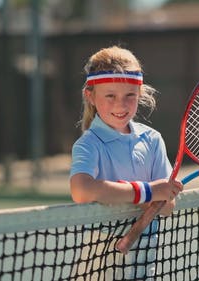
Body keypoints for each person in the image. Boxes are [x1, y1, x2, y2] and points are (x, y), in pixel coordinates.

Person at [69, 46, 183, 280]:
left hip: (143, 259)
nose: (120, 105)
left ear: (139, 93)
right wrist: (148, 192)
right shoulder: (89, 143)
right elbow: (81, 190)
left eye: (129, 95)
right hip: (100, 264)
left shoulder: (152, 140)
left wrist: (155, 196)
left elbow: (168, 207)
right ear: (90, 96)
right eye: (110, 95)